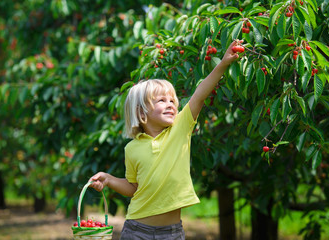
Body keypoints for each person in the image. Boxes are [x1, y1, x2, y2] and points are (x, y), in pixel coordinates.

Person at [89, 40, 240, 239]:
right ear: (141, 112)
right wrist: (109, 179)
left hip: (172, 232)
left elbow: (200, 95)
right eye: (161, 100)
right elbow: (134, 188)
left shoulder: (180, 128)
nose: (170, 104)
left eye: (172, 100)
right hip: (137, 230)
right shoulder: (132, 148)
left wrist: (223, 64)